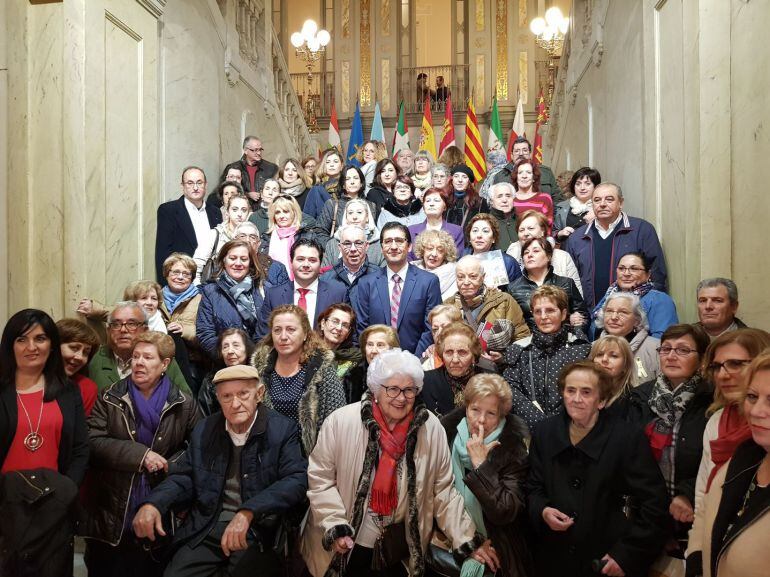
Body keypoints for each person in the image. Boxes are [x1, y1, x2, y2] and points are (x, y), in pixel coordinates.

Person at [301, 349, 497, 577]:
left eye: (409, 390)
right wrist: (335, 526)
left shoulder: (430, 427)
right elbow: (321, 480)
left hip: (399, 549)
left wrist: (468, 540)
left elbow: (443, 491)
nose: (401, 397)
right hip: (345, 544)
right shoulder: (341, 422)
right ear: (376, 389)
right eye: (392, 389)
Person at [132, 365, 308, 577]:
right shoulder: (205, 429)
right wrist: (153, 503)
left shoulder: (282, 429)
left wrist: (248, 511)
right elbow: (184, 476)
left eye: (243, 394)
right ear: (217, 399)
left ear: (259, 394)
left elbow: (296, 480)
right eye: (226, 396)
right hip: (207, 523)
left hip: (258, 527)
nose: (235, 404)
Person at [526, 361, 669, 577]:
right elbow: (532, 487)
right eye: (570, 390)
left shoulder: (627, 437)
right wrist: (543, 510)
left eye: (586, 392)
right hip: (554, 557)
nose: (576, 399)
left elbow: (654, 502)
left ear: (601, 400)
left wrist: (627, 554)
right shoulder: (545, 432)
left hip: (606, 557)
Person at [81, 332, 199, 577]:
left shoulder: (184, 403)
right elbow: (92, 442)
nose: (138, 363)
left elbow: (197, 449)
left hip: (161, 500)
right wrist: (141, 455)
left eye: (147, 357)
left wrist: (168, 464)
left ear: (165, 364)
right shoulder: (110, 397)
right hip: (112, 506)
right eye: (135, 357)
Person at [0, 309, 89, 577]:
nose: (31, 347)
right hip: (6, 505)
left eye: (40, 339)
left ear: (51, 344)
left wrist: (67, 490)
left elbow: (81, 449)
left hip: (54, 505)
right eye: (22, 339)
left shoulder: (67, 390)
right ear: (9, 345)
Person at [628, 323, 711, 557]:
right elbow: (630, 459)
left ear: (702, 359)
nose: (672, 356)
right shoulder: (640, 397)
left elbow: (718, 462)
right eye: (665, 349)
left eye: (683, 350)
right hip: (647, 514)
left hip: (695, 514)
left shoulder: (711, 401)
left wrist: (687, 493)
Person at [440, 373, 533, 577]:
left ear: (502, 415)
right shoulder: (445, 435)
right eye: (475, 410)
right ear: (466, 408)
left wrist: (481, 466)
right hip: (448, 540)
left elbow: (506, 511)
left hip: (499, 549)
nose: (480, 420)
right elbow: (435, 495)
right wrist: (466, 542)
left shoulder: (513, 448)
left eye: (491, 413)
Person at [686, 353, 770, 577]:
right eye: (752, 397)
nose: (757, 411)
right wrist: (696, 560)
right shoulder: (746, 458)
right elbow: (706, 510)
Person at [690, 329, 770, 521]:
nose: (723, 375)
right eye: (717, 367)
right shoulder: (716, 420)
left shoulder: (763, 424)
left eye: (735, 364)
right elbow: (703, 494)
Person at [252, 304, 346, 455]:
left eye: (291, 329)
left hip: (310, 459)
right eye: (277, 330)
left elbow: (337, 421)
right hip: (268, 457)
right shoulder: (260, 370)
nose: (283, 336)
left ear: (305, 334)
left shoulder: (322, 368)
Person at [566, 182, 669, 308]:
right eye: (597, 200)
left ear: (621, 203)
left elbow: (657, 275)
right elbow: (570, 281)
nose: (602, 204)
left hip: (634, 313)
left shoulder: (642, 230)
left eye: (609, 199)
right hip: (590, 316)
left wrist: (646, 309)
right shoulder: (577, 237)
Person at [502, 285, 592, 428]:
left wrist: (557, 425)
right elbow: (511, 389)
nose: (543, 317)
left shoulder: (580, 349)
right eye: (538, 311)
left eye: (550, 310)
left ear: (563, 314)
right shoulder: (519, 350)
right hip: (529, 431)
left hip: (571, 430)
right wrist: (541, 424)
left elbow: (584, 393)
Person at [352, 222, 442, 357]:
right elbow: (363, 327)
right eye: (388, 241)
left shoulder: (428, 282)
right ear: (382, 247)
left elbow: (431, 327)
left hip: (416, 362)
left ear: (409, 246)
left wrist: (414, 361)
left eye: (399, 241)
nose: (393, 246)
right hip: (377, 362)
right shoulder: (367, 283)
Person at [89, 302, 190, 392]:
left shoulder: (161, 357)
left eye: (132, 324)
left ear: (145, 330)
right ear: (108, 330)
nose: (123, 330)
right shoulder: (96, 358)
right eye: (116, 324)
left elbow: (185, 401)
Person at [258, 238, 349, 335]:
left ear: (320, 264)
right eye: (300, 259)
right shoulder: (274, 295)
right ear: (291, 262)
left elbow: (347, 336)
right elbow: (262, 335)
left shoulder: (338, 294)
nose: (306, 264)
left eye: (312, 260)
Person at [196, 239, 266, 354]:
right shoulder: (210, 291)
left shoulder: (262, 287)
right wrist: (230, 354)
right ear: (224, 261)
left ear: (250, 262)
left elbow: (269, 328)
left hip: (259, 362)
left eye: (243, 259)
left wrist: (258, 357)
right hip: (226, 363)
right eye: (233, 258)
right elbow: (205, 334)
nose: (238, 263)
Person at [444, 256, 531, 347]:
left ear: (483, 277)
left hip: (498, 360)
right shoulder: (448, 306)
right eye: (460, 277)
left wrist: (504, 356)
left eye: (473, 276)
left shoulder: (503, 301)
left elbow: (522, 336)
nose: (466, 282)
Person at [155, 166, 222, 282]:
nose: (195, 187)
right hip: (181, 281)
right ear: (183, 186)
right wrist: (165, 285)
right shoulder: (168, 210)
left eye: (199, 183)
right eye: (190, 183)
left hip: (211, 281)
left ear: (205, 185)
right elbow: (163, 252)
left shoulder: (215, 212)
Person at [507, 237, 588, 332]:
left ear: (549, 256)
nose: (530, 255)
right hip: (531, 342)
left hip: (565, 339)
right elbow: (513, 324)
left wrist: (576, 327)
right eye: (526, 252)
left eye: (536, 251)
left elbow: (583, 316)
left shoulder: (566, 283)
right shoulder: (513, 289)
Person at [592, 251, 678, 338]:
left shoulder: (660, 300)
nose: (626, 273)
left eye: (634, 269)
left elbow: (663, 340)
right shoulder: (610, 295)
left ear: (648, 275)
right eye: (621, 268)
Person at [506, 209, 583, 294]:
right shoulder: (511, 258)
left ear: (542, 231)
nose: (526, 233)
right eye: (521, 230)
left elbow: (577, 295)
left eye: (530, 228)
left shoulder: (562, 258)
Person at [421, 322, 489, 416]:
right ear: (442, 354)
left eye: (462, 352)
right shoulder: (427, 381)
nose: (455, 359)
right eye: (449, 352)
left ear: (473, 356)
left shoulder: (489, 381)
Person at [595, 292, 661, 382]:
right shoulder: (592, 348)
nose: (614, 317)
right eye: (609, 311)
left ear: (637, 320)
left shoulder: (656, 348)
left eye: (623, 312)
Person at [197, 327, 256, 417]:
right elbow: (204, 416)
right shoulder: (211, 381)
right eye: (225, 347)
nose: (230, 351)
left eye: (236, 345)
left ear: (246, 349)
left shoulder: (259, 375)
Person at [193, 193, 252, 283]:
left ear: (248, 213)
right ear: (227, 212)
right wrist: (198, 291)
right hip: (213, 289)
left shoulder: (251, 237)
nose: (239, 214)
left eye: (244, 210)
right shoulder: (214, 235)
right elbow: (196, 266)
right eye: (235, 209)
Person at [259, 194, 322, 276]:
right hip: (271, 285)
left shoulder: (307, 236)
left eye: (286, 211)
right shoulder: (266, 238)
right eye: (277, 212)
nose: (281, 216)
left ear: (294, 213)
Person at [493, 137, 562, 207]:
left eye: (525, 150)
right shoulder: (500, 176)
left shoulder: (546, 173)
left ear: (530, 154)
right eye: (517, 151)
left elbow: (558, 200)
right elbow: (495, 204)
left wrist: (549, 216)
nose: (521, 154)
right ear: (511, 155)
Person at [317, 165, 377, 244]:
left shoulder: (371, 206)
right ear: (343, 185)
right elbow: (320, 232)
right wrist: (333, 248)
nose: (352, 182)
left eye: (356, 178)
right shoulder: (332, 204)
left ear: (361, 183)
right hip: (338, 252)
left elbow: (374, 233)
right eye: (347, 179)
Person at [343, 325, 401, 404]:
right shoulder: (353, 376)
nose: (373, 350)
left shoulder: (403, 377)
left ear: (392, 350)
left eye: (380, 345)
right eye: (370, 344)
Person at [320, 223, 381, 297]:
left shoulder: (380, 276)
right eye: (347, 243)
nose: (353, 249)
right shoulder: (326, 279)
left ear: (366, 246)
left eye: (358, 243)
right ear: (340, 247)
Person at [56, 318, 100, 416]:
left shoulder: (86, 388)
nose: (80, 357)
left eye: (86, 352)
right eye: (74, 348)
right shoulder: (28, 380)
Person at [465, 213, 523, 288]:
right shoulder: (461, 258)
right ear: (469, 237)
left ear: (493, 238)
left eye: (485, 231)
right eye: (475, 231)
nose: (479, 235)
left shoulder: (508, 262)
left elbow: (518, 294)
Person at [322, 200, 384, 268]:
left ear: (367, 217)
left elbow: (384, 274)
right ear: (345, 217)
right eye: (350, 213)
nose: (354, 217)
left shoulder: (379, 245)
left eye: (359, 212)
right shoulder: (332, 244)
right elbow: (324, 273)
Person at [316, 303, 361, 392]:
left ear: (348, 333)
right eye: (335, 321)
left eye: (345, 325)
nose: (339, 328)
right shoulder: (307, 353)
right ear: (323, 323)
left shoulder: (355, 359)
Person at [407, 187, 465, 257]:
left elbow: (456, 257)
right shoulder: (411, 230)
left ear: (445, 207)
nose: (431, 204)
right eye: (428, 201)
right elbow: (408, 257)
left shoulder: (456, 231)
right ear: (423, 206)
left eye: (436, 200)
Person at [589, 335, 637, 416]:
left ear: (626, 365)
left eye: (613, 356)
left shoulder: (634, 401)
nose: (604, 359)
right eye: (599, 354)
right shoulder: (580, 391)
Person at [233, 221, 291, 289]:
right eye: (242, 236)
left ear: (258, 243)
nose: (247, 240)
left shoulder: (277, 268)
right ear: (234, 240)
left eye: (252, 237)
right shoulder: (226, 265)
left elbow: (284, 296)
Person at [553, 167, 600, 245]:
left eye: (587, 184)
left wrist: (598, 221)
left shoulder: (601, 207)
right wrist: (559, 234)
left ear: (595, 186)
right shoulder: (562, 207)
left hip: (594, 252)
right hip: (568, 253)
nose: (582, 188)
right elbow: (552, 234)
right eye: (578, 184)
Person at [412, 229, 458, 300]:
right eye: (430, 248)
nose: (434, 254)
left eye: (440, 250)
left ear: (446, 254)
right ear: (422, 250)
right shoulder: (410, 269)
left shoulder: (455, 274)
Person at [511, 158, 554, 232]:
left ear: (534, 177)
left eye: (528, 172)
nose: (524, 176)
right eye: (520, 172)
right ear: (516, 177)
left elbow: (548, 227)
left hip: (539, 242)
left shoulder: (545, 199)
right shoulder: (509, 199)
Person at [304, 148, 345, 219]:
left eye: (335, 161)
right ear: (324, 166)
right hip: (322, 224)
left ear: (341, 166)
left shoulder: (347, 183)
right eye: (328, 162)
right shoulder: (318, 187)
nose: (331, 165)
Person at [421, 304, 463, 371]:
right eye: (435, 329)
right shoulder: (426, 363)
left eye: (445, 327)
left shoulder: (474, 356)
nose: (439, 333)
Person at [447, 164, 486, 229]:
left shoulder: (480, 202)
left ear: (469, 181)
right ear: (452, 180)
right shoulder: (445, 199)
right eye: (456, 176)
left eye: (464, 177)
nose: (460, 180)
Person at [487, 182, 518, 252]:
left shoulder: (522, 221)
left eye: (508, 196)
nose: (504, 200)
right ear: (491, 201)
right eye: (499, 196)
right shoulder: (485, 223)